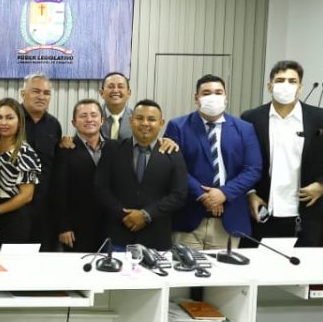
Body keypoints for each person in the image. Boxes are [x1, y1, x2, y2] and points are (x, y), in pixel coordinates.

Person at [241, 60, 323, 247]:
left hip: (307, 214)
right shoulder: (251, 118)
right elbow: (242, 161)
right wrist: (250, 193)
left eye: (292, 81)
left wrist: (322, 185)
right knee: (260, 270)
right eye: (280, 80)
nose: (285, 85)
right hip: (262, 212)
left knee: (302, 271)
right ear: (270, 86)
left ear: (300, 88)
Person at [164, 75, 262, 251]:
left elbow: (253, 169)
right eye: (206, 93)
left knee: (223, 276)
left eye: (218, 92)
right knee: (186, 274)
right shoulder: (177, 126)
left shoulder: (244, 129)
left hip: (229, 219)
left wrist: (223, 194)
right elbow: (174, 168)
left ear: (225, 97)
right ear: (196, 98)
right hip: (189, 217)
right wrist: (204, 195)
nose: (213, 97)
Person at [95, 100, 188, 250]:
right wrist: (124, 214)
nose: (145, 123)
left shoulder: (173, 153)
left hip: (156, 239)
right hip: (118, 236)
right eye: (139, 118)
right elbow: (101, 188)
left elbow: (179, 194)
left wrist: (146, 215)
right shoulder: (112, 149)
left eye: (151, 119)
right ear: (131, 121)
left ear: (161, 123)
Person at [0, 98, 42, 244]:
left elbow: (26, 196)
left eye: (9, 118)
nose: (3, 123)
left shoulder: (26, 153)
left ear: (19, 122)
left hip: (13, 218)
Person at [53, 99, 108, 253]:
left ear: (102, 120)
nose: (89, 119)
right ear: (74, 122)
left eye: (94, 115)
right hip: (76, 230)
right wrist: (63, 227)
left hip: (109, 227)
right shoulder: (64, 150)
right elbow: (59, 192)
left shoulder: (114, 148)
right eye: (83, 116)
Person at [19, 72, 61, 250]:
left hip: (46, 209)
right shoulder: (9, 120)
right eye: (36, 91)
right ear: (23, 94)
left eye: (46, 93)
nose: (41, 96)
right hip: (14, 207)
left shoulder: (54, 125)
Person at [100, 72, 134, 141]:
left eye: (120, 86)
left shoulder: (137, 119)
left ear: (129, 93)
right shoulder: (91, 118)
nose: (115, 90)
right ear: (102, 93)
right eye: (110, 86)